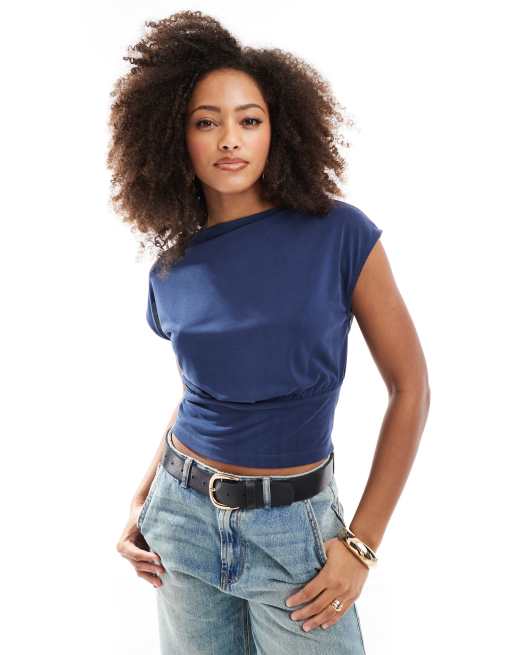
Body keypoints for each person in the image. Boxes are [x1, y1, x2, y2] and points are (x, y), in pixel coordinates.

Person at [109, 10, 430, 654]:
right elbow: (202, 393)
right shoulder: (172, 268)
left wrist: (362, 545)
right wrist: (143, 499)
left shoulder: (340, 235)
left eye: (249, 120)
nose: (230, 140)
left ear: (278, 129)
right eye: (207, 122)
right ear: (174, 136)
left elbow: (411, 388)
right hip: (182, 525)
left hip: (296, 534)